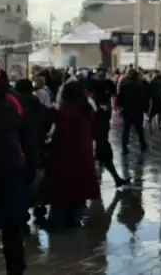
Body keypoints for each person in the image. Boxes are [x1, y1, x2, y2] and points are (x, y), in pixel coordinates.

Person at [0, 59, 32, 274]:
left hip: (10, 171)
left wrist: (31, 167)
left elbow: (28, 135)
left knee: (12, 225)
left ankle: (16, 269)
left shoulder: (13, 100)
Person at [41, 81, 101, 229]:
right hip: (84, 153)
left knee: (62, 189)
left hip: (66, 154)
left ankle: (56, 222)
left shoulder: (66, 109)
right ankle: (74, 219)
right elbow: (95, 130)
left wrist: (49, 146)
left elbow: (60, 133)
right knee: (79, 188)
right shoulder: (87, 108)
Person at [90, 70, 129, 188]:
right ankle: (113, 178)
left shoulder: (94, 102)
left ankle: (114, 178)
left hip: (99, 134)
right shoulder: (99, 106)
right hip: (100, 134)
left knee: (104, 156)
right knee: (104, 155)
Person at [117, 69, 149, 155]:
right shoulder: (141, 85)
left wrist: (120, 108)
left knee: (126, 130)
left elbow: (119, 98)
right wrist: (146, 109)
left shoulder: (124, 85)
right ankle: (143, 146)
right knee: (139, 129)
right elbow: (145, 98)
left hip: (127, 110)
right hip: (138, 111)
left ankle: (124, 147)